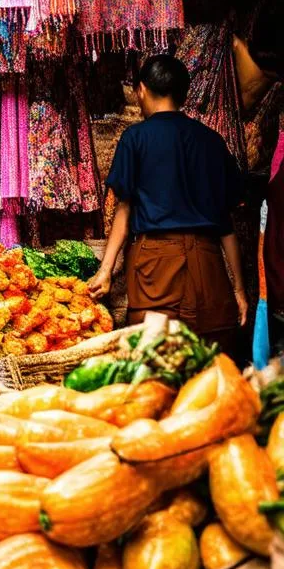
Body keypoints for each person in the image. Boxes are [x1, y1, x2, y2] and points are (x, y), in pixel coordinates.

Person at [88, 55, 246, 354]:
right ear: (183, 94)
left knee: (156, 360)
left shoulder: (136, 138)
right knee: (211, 361)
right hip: (208, 266)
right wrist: (238, 289)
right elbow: (226, 222)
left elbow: (125, 209)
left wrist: (106, 270)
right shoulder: (212, 141)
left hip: (156, 266)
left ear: (142, 90)